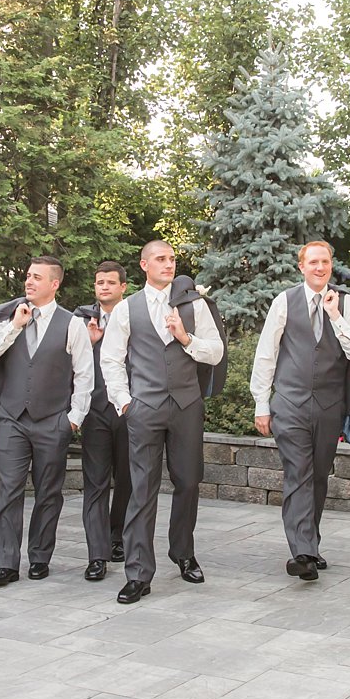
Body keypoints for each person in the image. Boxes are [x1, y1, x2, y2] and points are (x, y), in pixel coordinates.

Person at [99, 240, 224, 604]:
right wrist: (124, 403)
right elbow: (111, 359)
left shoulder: (194, 304)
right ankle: (138, 572)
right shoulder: (126, 309)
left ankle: (183, 553)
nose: (168, 265)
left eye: (171, 259)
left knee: (188, 483)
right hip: (145, 408)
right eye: (160, 259)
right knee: (142, 489)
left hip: (186, 406)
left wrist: (186, 338)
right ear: (144, 264)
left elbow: (215, 352)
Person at [250, 241, 350, 580]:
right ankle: (302, 551)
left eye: (326, 262)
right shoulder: (284, 301)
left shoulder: (348, 303)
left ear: (332, 265)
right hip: (289, 403)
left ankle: (310, 544)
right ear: (301, 266)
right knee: (299, 473)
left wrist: (335, 316)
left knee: (317, 475)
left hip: (330, 405)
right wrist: (262, 402)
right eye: (313, 262)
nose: (320, 267)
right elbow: (266, 353)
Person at [0, 257, 93, 585]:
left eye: (37, 277)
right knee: (9, 490)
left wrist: (73, 419)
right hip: (12, 419)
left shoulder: (71, 324)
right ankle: (5, 563)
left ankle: (40, 557)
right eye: (28, 275)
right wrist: (15, 326)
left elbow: (85, 374)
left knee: (48, 493)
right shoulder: (10, 318)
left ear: (54, 284)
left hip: (52, 420)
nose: (29, 281)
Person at [73, 261, 132, 582]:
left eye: (111, 282)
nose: (104, 287)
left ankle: (116, 536)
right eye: (100, 282)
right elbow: (62, 358)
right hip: (94, 411)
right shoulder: (81, 319)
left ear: (124, 286)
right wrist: (89, 343)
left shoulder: (137, 316)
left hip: (129, 411)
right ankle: (97, 555)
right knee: (95, 484)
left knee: (127, 480)